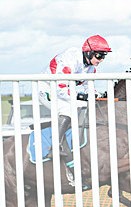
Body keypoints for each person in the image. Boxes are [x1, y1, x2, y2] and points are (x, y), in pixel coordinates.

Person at [38, 35, 111, 183]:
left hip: (64, 91)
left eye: (104, 56)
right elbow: (61, 88)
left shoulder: (91, 68)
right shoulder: (70, 59)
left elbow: (87, 88)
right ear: (89, 52)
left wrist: (96, 96)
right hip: (48, 90)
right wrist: (81, 96)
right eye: (99, 55)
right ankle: (55, 146)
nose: (101, 60)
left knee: (86, 107)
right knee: (68, 109)